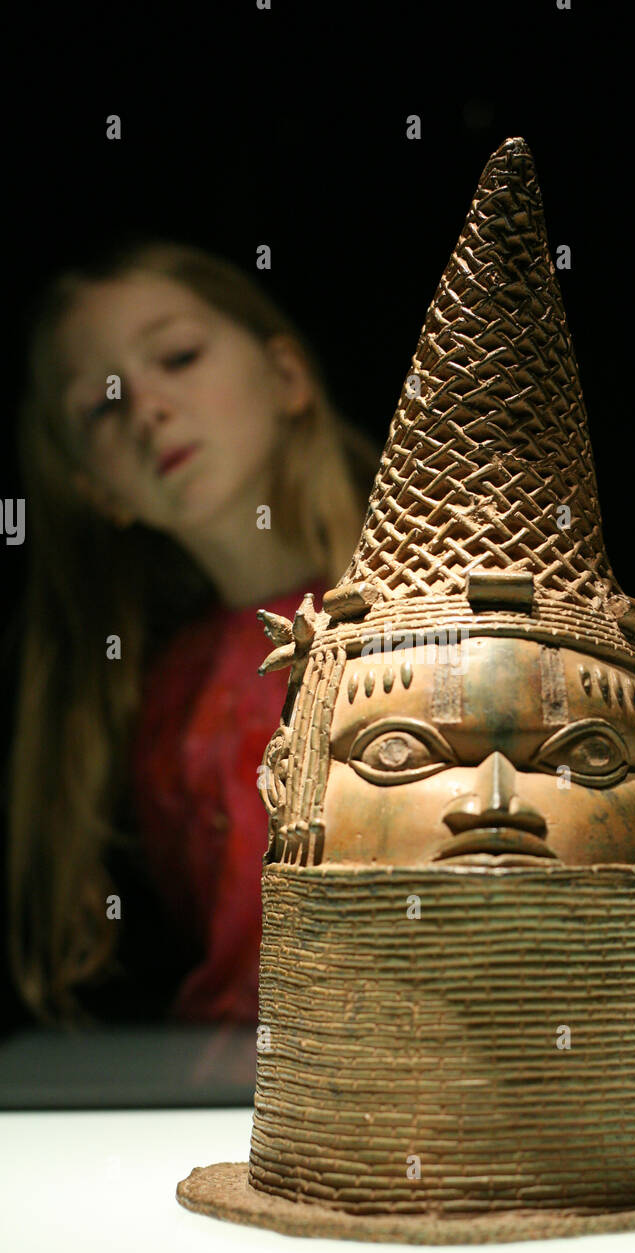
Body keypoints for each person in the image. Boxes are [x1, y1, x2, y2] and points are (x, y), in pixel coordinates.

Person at [6, 239, 379, 1027]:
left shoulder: (427, 622)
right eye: (102, 406)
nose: (147, 408)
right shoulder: (163, 696)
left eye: (177, 356)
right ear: (92, 487)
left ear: (287, 377)